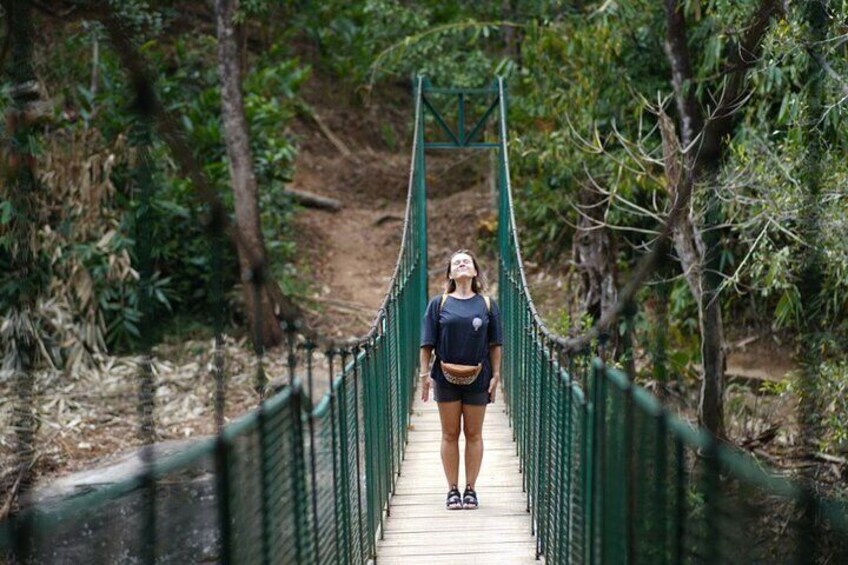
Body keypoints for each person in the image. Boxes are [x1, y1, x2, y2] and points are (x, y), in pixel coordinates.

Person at [419, 249, 503, 510]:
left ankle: (471, 490)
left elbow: (495, 344)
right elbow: (426, 343)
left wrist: (497, 375)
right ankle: (452, 490)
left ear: (475, 271)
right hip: (445, 377)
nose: (462, 263)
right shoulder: (438, 304)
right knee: (450, 433)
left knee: (474, 434)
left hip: (479, 377)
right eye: (456, 262)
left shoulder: (488, 304)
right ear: (450, 273)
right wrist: (424, 374)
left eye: (467, 261)